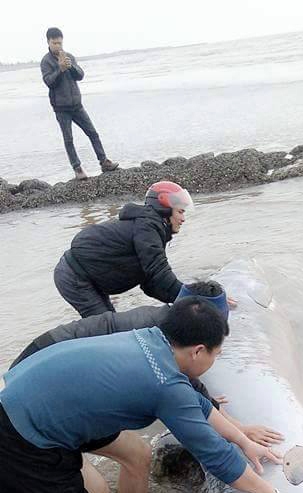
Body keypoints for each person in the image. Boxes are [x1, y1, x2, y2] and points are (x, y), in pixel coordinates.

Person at [0, 297, 303, 493]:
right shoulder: (165, 384)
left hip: (43, 408)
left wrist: (243, 440)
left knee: (137, 455)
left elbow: (197, 405)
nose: (215, 360)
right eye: (216, 353)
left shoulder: (151, 340)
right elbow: (217, 458)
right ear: (198, 351)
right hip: (21, 438)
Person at [10, 280, 284, 448]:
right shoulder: (161, 340)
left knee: (135, 456)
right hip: (45, 360)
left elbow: (190, 388)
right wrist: (240, 430)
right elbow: (184, 389)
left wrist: (211, 404)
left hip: (52, 358)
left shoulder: (169, 324)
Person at [53, 181, 224, 319]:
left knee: (110, 322)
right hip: (75, 277)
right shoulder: (147, 227)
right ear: (164, 209)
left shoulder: (150, 228)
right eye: (180, 212)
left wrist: (191, 301)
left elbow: (152, 284)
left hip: (88, 278)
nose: (183, 219)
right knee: (107, 329)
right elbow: (160, 274)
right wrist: (198, 301)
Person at [40, 27, 118, 180]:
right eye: (55, 43)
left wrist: (71, 67)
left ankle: (104, 162)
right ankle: (77, 168)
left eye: (60, 43)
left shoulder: (69, 56)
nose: (58, 46)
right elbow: (49, 82)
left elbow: (80, 76)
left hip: (77, 105)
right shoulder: (45, 62)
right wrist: (60, 69)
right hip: (61, 108)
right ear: (48, 42)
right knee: (69, 139)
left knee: (93, 133)